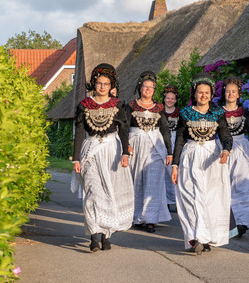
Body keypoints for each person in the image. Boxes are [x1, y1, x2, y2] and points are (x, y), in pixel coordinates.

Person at [72, 64, 133, 252]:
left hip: (112, 151)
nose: (102, 87)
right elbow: (80, 132)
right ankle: (93, 235)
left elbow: (123, 130)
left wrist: (124, 152)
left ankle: (107, 234)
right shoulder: (84, 106)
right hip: (91, 150)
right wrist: (76, 159)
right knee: (93, 194)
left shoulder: (117, 105)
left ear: (111, 85)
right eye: (99, 83)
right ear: (94, 84)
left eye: (106, 83)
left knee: (110, 192)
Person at [171, 75, 234, 255]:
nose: (203, 95)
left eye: (207, 93)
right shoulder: (185, 113)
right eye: (200, 92)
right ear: (194, 93)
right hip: (190, 157)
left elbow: (226, 136)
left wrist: (226, 150)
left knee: (209, 199)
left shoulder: (218, 113)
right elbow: (180, 140)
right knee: (191, 197)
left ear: (212, 94)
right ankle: (195, 237)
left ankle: (205, 237)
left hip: (212, 158)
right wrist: (175, 165)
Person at [126, 71, 173, 232]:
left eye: (151, 87)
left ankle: (151, 219)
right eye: (145, 86)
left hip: (155, 146)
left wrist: (169, 151)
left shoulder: (159, 108)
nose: (148, 89)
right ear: (140, 87)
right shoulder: (131, 106)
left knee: (154, 181)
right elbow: (124, 127)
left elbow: (165, 130)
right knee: (137, 181)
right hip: (136, 146)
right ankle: (138, 217)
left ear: (154, 89)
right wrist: (126, 145)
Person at [219, 76, 249, 237]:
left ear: (238, 94)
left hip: (242, 150)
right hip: (223, 150)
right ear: (224, 93)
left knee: (245, 184)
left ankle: (242, 222)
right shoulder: (217, 112)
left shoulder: (244, 112)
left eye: (234, 92)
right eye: (228, 91)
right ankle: (226, 223)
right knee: (223, 185)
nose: (230, 94)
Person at [162, 85, 180, 210]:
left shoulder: (179, 113)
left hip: (174, 140)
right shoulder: (159, 112)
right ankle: (165, 200)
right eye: (168, 98)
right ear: (164, 99)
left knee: (173, 171)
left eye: (172, 98)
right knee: (162, 171)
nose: (170, 100)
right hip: (161, 141)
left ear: (175, 100)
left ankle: (175, 199)